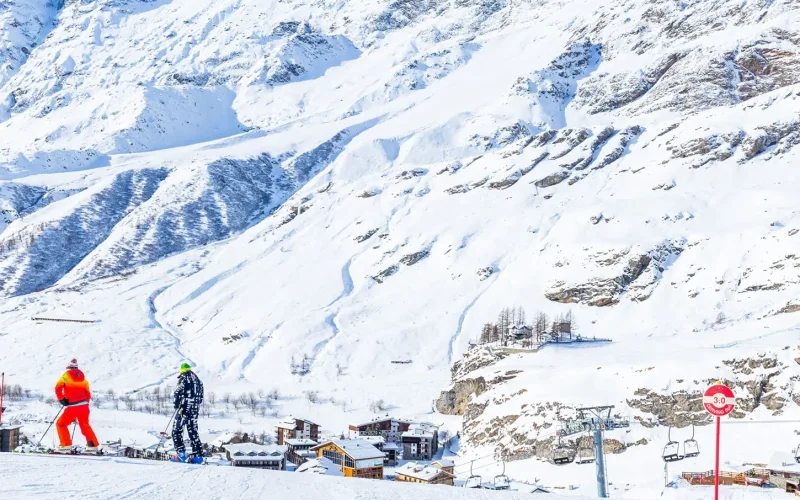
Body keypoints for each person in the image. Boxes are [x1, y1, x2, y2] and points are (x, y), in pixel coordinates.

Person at [55, 359, 99, 451]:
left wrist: (62, 399)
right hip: (84, 406)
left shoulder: (65, 376)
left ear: (68, 367)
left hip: (73, 406)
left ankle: (66, 445)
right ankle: (93, 446)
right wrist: (84, 404)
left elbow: (58, 388)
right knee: (85, 425)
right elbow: (88, 394)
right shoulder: (84, 380)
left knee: (61, 424)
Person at [172, 363, 204, 462]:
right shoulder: (198, 381)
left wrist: (177, 404)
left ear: (182, 370)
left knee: (176, 431)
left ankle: (181, 454)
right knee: (193, 432)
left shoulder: (184, 378)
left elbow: (177, 392)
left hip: (184, 409)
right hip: (194, 410)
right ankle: (198, 457)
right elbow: (201, 397)